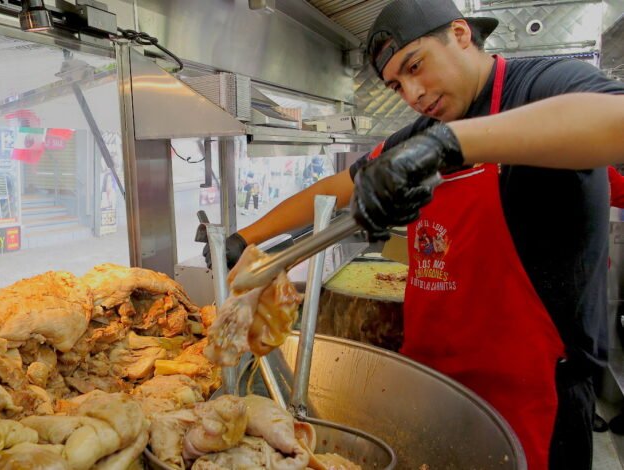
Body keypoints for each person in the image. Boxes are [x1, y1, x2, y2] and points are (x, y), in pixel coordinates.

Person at [203, 0, 624, 468]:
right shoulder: (420, 131)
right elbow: (334, 190)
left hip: (532, 402)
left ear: (461, 35)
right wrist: (245, 237)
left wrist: (447, 145)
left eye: (416, 66)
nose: (413, 93)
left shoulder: (541, 86)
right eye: (396, 85)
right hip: (428, 386)